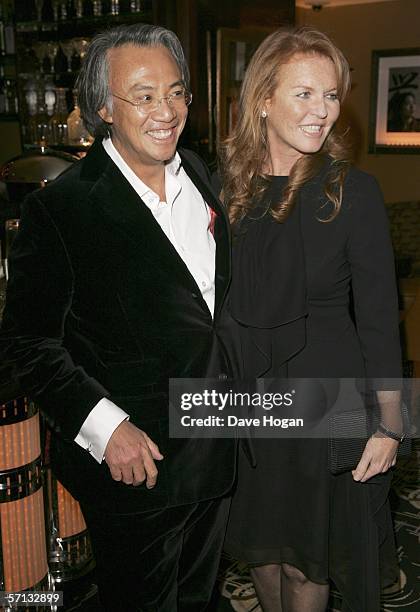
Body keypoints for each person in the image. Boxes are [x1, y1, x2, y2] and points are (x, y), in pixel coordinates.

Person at [0, 23, 236, 612]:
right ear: (104, 106)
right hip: (136, 468)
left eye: (177, 92)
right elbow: (27, 344)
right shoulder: (61, 208)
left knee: (198, 598)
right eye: (145, 95)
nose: (168, 110)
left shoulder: (201, 179)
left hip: (213, 441)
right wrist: (106, 431)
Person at [218, 27, 403, 612]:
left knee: (308, 562)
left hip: (327, 404)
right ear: (263, 99)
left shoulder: (354, 192)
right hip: (249, 402)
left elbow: (379, 320)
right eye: (304, 94)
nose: (321, 111)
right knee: (263, 553)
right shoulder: (225, 191)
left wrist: (390, 425)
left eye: (330, 96)